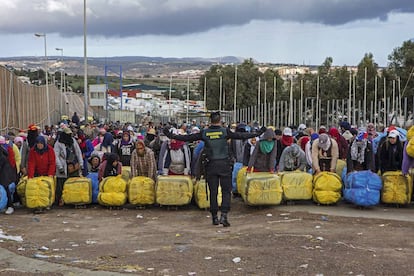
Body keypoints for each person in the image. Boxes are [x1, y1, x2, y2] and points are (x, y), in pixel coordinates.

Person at [164, 111, 265, 227]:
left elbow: (187, 137)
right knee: (226, 191)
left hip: (210, 165)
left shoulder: (204, 133)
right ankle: (224, 215)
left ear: (210, 121)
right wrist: (258, 133)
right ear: (220, 120)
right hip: (224, 165)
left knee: (213, 191)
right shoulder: (225, 132)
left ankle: (214, 217)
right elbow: (241, 136)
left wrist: (170, 135)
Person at [54, 127, 83, 206]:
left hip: (73, 165)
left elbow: (78, 152)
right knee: (61, 185)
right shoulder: (58, 143)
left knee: (73, 183)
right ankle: (60, 200)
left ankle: (72, 200)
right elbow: (56, 156)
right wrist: (60, 167)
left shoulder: (73, 141)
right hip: (63, 165)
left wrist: (81, 163)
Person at [0, 136, 16, 215]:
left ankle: (10, 206)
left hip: (4, 172)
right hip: (4, 170)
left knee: (5, 188)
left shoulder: (2, 152)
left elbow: (2, 161)